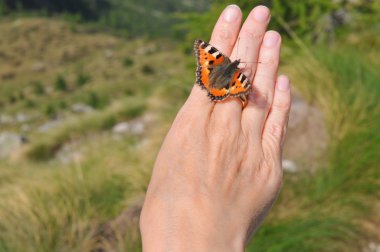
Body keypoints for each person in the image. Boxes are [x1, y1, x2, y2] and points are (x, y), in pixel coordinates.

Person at [140, 4, 291, 251]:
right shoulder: (239, 78)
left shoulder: (216, 58)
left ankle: (213, 85)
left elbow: (211, 57)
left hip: (210, 75)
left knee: (216, 67)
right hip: (223, 86)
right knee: (232, 81)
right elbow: (241, 83)